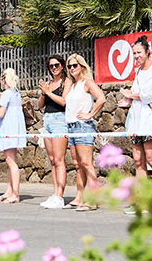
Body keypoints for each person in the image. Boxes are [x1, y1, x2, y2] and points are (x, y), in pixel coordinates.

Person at [122, 35, 152, 211]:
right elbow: (135, 93)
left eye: (139, 53)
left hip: (149, 120)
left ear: (148, 52)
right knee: (138, 161)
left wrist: (130, 95)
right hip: (135, 120)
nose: (136, 56)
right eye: (134, 54)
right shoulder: (138, 72)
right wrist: (126, 100)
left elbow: (148, 95)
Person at [63, 53, 106, 211]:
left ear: (81, 66)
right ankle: (79, 197)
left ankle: (93, 199)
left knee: (87, 163)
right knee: (77, 164)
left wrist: (90, 114)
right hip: (71, 126)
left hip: (83, 126)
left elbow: (101, 98)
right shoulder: (72, 85)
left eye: (75, 65)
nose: (72, 69)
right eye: (69, 66)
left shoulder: (87, 82)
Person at [37, 54, 69, 209]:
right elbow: (39, 105)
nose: (54, 68)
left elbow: (64, 101)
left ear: (62, 66)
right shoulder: (49, 83)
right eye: (51, 66)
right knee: (52, 160)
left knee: (59, 159)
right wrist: (44, 92)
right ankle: (55, 192)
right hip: (48, 119)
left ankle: (60, 195)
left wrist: (49, 92)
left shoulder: (66, 82)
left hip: (60, 119)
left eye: (56, 65)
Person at [0, 68, 26, 204]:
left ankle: (15, 194)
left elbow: (0, 113)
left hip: (9, 129)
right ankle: (9, 191)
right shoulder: (16, 93)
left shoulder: (7, 93)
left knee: (11, 162)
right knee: (10, 162)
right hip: (15, 129)